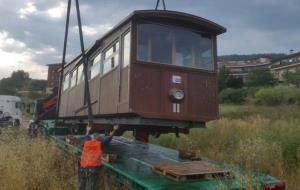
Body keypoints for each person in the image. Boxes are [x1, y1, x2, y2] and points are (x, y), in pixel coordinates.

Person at [79, 123, 118, 190]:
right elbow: (108, 139)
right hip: (93, 167)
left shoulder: (86, 142)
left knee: (82, 183)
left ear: (92, 137)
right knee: (91, 185)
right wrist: (114, 130)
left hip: (84, 166)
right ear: (98, 138)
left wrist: (87, 130)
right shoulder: (99, 144)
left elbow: (86, 136)